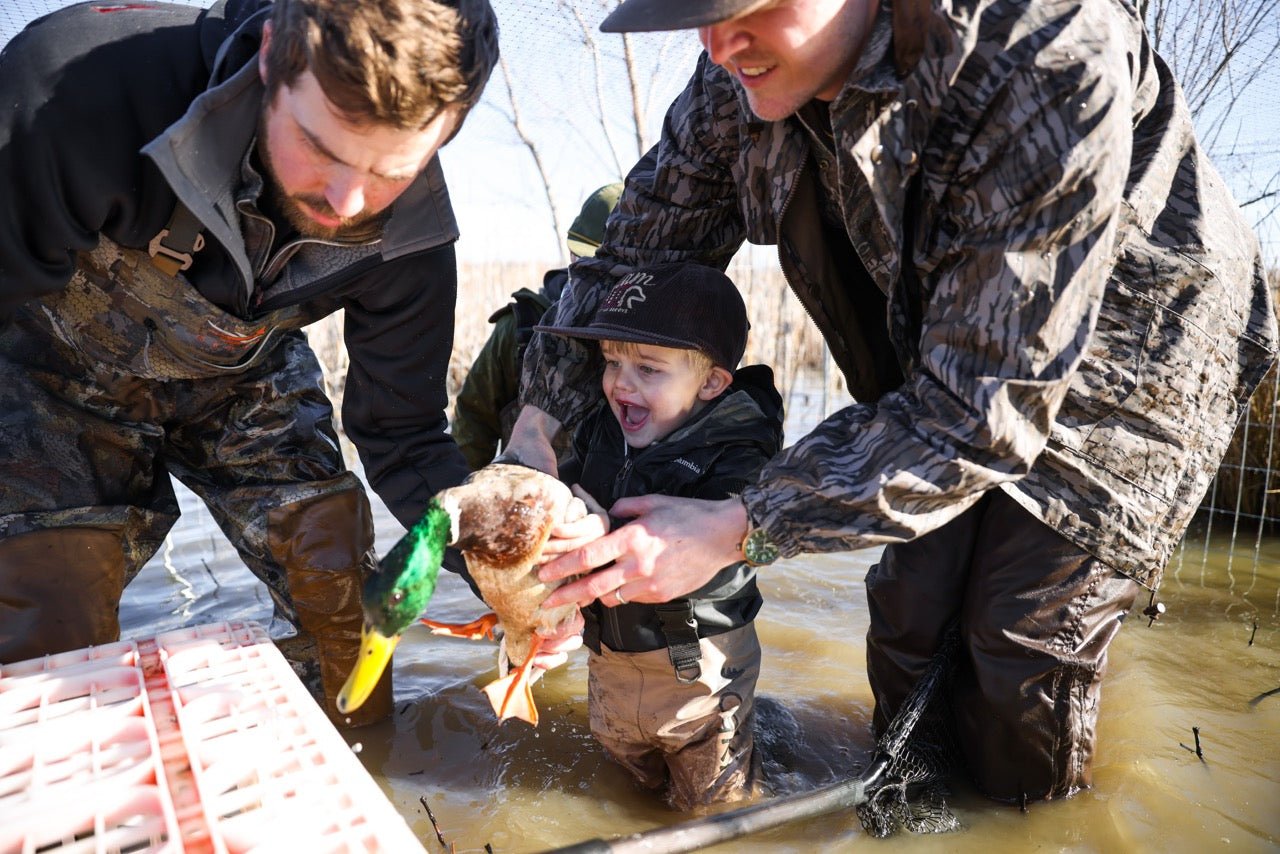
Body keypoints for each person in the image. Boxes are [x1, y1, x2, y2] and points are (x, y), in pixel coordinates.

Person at [512, 0, 1279, 808]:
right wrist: (533, 442)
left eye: (751, 8)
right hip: (942, 348)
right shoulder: (731, 76)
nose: (717, 43)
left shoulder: (1043, 47)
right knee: (912, 611)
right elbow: (631, 258)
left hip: (1131, 355)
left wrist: (743, 526)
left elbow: (983, 409)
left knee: (1020, 640)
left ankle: (1029, 819)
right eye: (698, 13)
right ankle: (909, 808)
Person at [0, 0, 500, 728]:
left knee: (341, 598)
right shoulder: (77, 85)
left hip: (245, 376)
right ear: (272, 55)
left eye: (391, 170)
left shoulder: (414, 244)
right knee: (43, 620)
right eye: (321, 148)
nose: (347, 201)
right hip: (54, 368)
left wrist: (510, 568)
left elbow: (406, 437)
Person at [537, 261, 784, 809]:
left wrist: (608, 530)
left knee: (715, 808)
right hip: (609, 666)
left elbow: (758, 537)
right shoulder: (604, 427)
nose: (621, 383)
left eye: (648, 368)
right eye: (611, 362)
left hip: (701, 673)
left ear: (712, 382)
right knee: (626, 787)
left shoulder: (740, 452)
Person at [452, 182, 624, 470]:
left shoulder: (656, 337)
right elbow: (473, 423)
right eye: (581, 257)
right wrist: (457, 504)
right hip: (532, 502)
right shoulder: (521, 328)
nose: (590, 273)